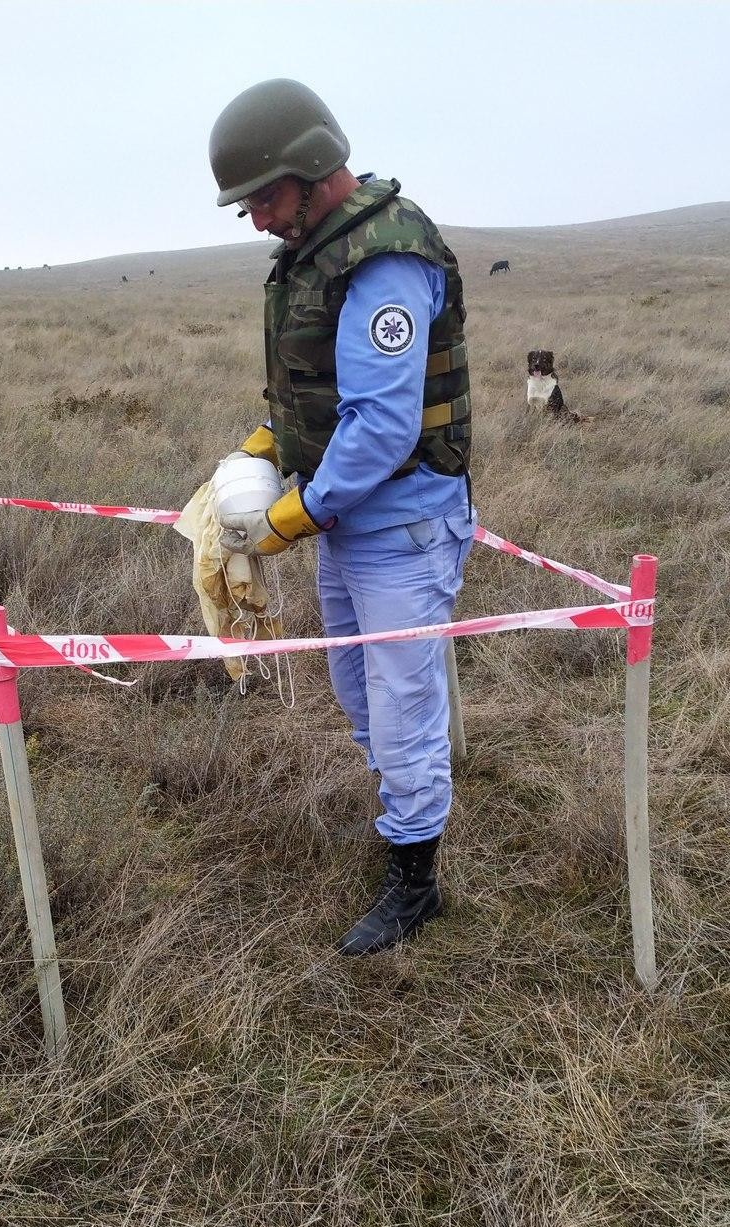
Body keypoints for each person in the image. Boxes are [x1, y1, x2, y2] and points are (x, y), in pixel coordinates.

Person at [208, 78, 474, 956]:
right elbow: (320, 395)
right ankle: (406, 815)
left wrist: (294, 514)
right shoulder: (316, 250)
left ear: (314, 166)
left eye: (264, 197)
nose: (255, 220)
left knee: (402, 706)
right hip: (350, 523)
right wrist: (265, 445)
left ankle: (416, 878)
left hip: (399, 526)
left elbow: (387, 422)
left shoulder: (385, 258)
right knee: (361, 694)